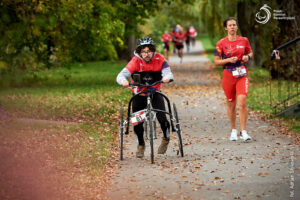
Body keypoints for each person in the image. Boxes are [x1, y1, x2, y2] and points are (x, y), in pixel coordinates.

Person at [116, 36, 174, 158]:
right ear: (139, 52)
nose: (146, 54)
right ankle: (141, 144)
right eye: (143, 52)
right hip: (139, 93)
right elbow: (121, 75)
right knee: (137, 121)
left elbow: (168, 72)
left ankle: (166, 137)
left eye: (149, 51)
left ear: (153, 50)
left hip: (155, 91)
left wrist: (167, 77)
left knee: (162, 116)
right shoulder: (135, 61)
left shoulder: (160, 59)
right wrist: (123, 81)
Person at [214, 17, 253, 141]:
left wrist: (247, 57)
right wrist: (228, 60)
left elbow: (250, 52)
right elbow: (216, 61)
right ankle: (234, 130)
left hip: (242, 73)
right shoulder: (221, 43)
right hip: (228, 74)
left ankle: (244, 131)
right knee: (231, 105)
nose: (232, 27)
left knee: (242, 103)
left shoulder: (244, 40)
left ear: (237, 27)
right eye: (230, 25)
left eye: (234, 25)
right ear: (226, 28)